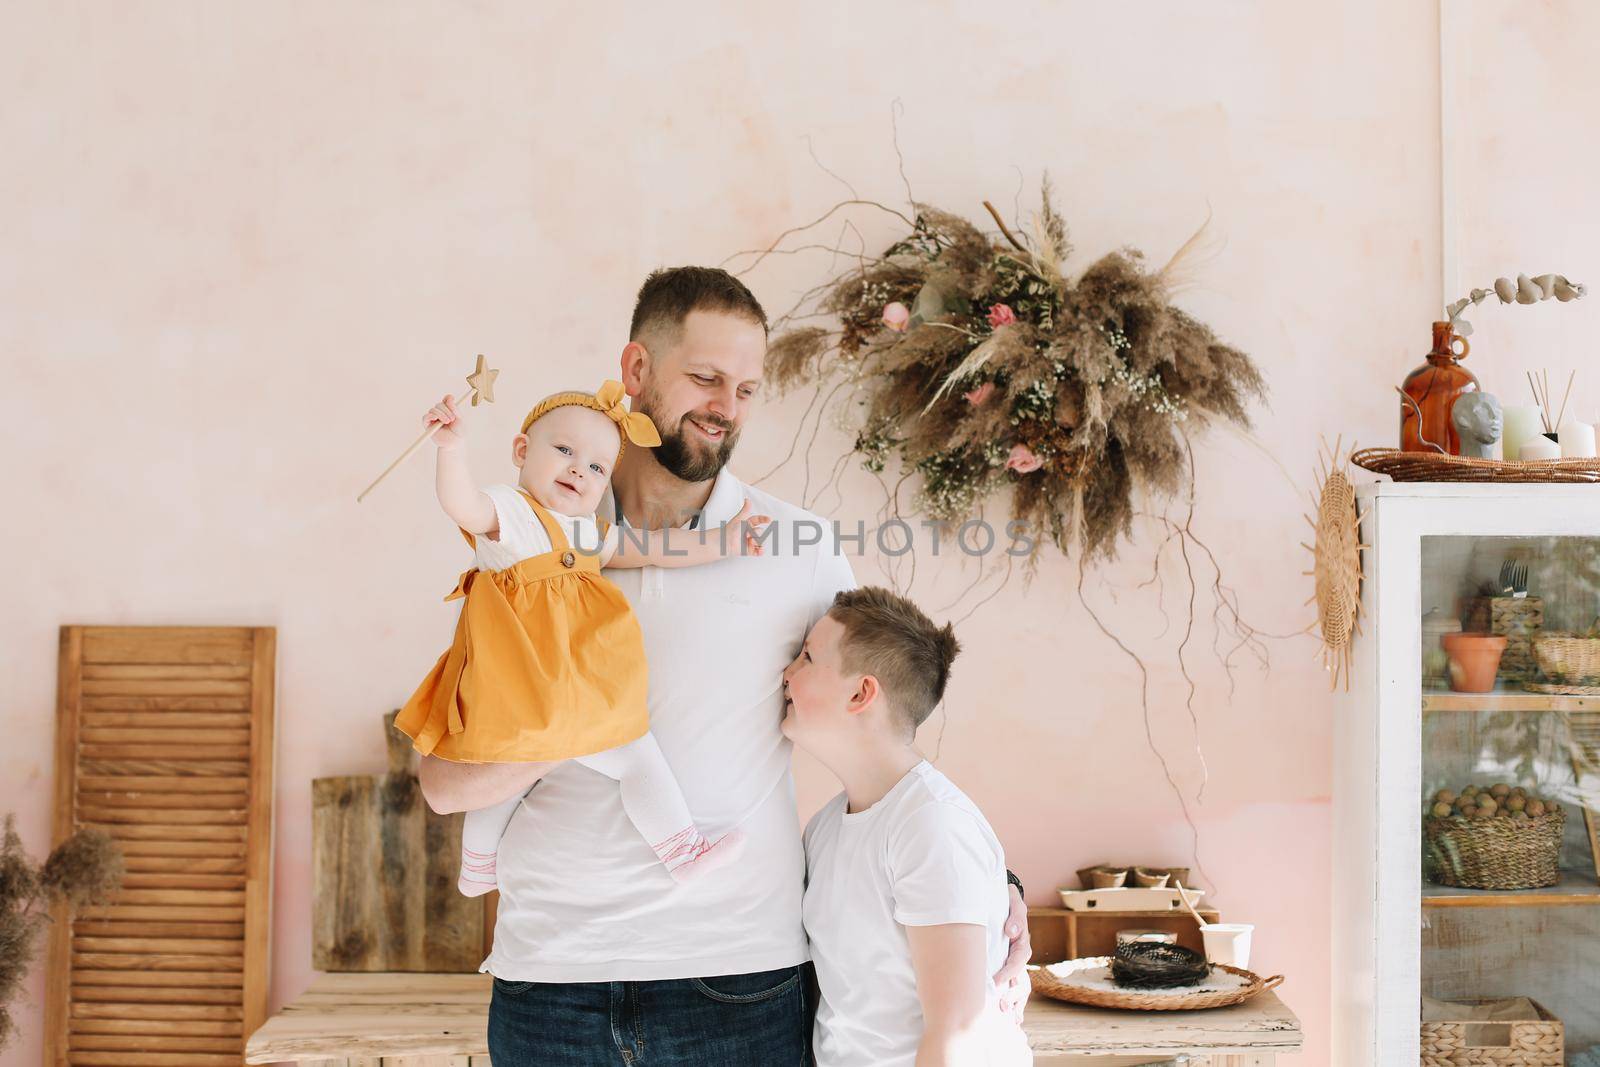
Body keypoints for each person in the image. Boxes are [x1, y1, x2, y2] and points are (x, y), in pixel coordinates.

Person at [418, 266, 1032, 1065]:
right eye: (705, 377)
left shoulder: (796, 546)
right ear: (635, 371)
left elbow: (880, 723)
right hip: (550, 983)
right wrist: (567, 726)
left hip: (740, 984)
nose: (725, 407)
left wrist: (990, 882)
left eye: (747, 387)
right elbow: (441, 781)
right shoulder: (525, 552)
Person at [395, 380, 767, 893]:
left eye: (597, 467)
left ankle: (487, 866)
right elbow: (462, 505)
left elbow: (653, 549)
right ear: (522, 451)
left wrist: (720, 542)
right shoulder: (513, 515)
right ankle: (486, 861)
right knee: (538, 756)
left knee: (600, 756)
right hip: (530, 679)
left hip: (573, 686)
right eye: (565, 451)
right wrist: (452, 450)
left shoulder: (587, 532)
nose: (578, 469)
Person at [785, 587, 1032, 1066]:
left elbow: (954, 1037)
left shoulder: (931, 826)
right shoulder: (825, 829)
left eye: (807, 657)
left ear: (861, 693)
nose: (787, 672)